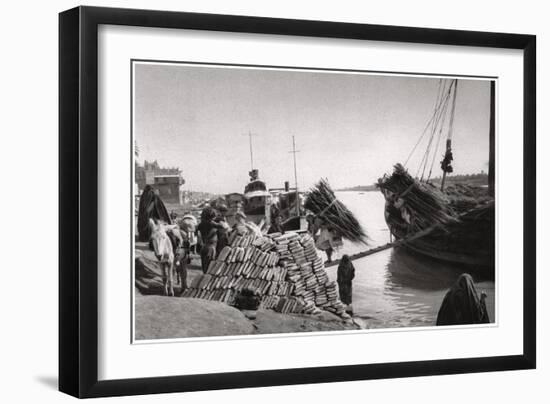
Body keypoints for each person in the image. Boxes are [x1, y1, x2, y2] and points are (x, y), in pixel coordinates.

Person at [196, 207, 224, 273]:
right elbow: (223, 226)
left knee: (204, 268)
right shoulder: (212, 223)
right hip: (211, 248)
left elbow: (196, 231)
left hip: (204, 246)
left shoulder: (201, 224)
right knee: (210, 267)